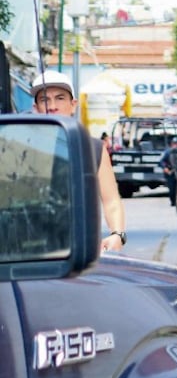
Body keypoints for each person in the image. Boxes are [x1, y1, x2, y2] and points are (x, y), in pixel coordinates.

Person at [32, 70, 126, 252]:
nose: (52, 106)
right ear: (35, 107)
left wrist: (118, 234)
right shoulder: (19, 146)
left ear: (73, 105)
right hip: (27, 251)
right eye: (44, 100)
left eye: (60, 98)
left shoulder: (92, 148)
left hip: (79, 250)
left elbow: (111, 200)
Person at [158, 135, 177, 206]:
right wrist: (165, 168)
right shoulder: (168, 152)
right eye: (174, 143)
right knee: (172, 188)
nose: (175, 145)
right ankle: (173, 201)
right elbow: (161, 161)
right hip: (170, 173)